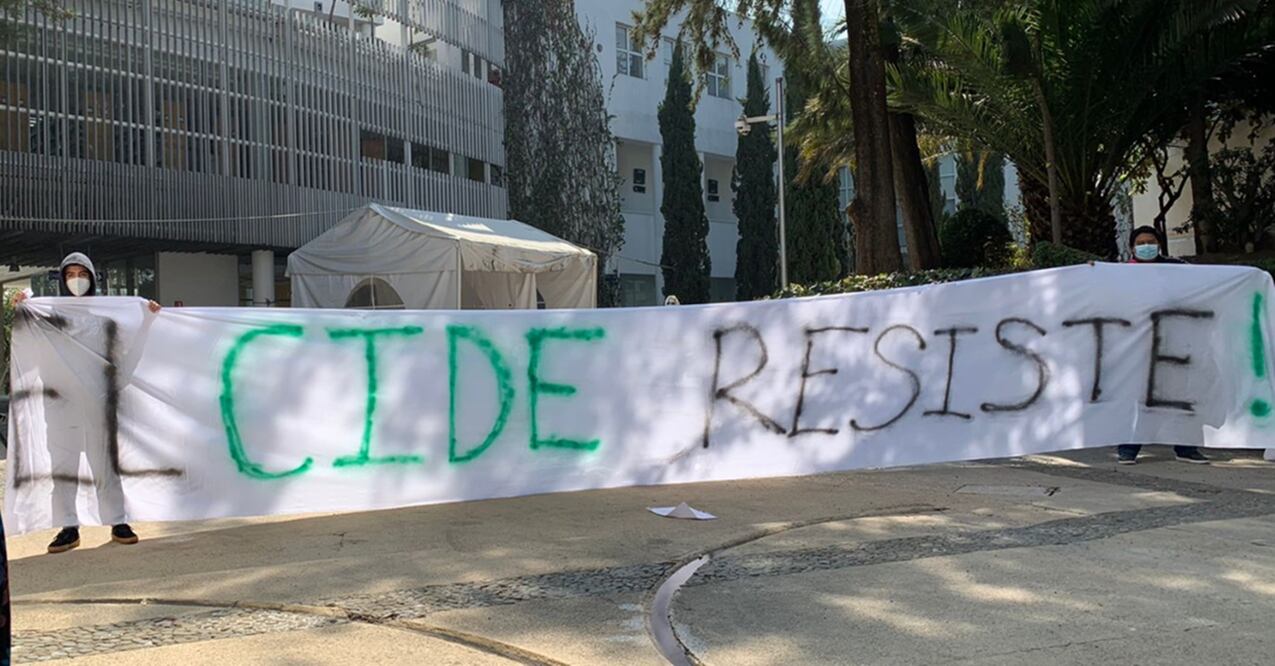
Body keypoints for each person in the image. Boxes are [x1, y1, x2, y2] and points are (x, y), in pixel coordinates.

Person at [14, 253, 161, 553]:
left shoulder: (104, 320)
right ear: (62, 279)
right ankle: (69, 527)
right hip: (61, 404)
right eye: (71, 274)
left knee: (105, 465)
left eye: (83, 273)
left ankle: (117, 521)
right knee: (64, 467)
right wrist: (22, 309)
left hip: (98, 402)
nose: (77, 279)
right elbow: (31, 347)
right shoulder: (49, 318)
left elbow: (125, 357)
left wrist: (146, 321)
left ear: (93, 278)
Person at [1117, 226, 1209, 465]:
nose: (1146, 246)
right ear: (1132, 247)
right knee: (1138, 396)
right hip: (1137, 344)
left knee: (1182, 394)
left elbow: (1206, 284)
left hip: (1174, 342)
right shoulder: (1119, 274)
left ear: (1159, 245)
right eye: (1141, 242)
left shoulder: (1176, 269)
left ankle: (1186, 448)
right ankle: (1128, 448)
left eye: (1151, 241)